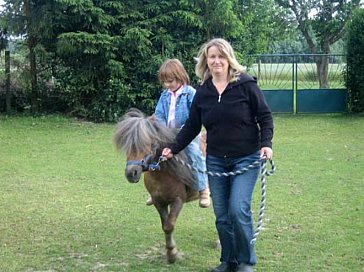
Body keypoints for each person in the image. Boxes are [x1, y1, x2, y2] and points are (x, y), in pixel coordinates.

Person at [161, 38, 274, 272]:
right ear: (206, 61)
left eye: (221, 56)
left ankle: (245, 262)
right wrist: (173, 147)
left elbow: (264, 116)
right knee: (222, 215)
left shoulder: (246, 84)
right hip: (215, 161)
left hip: (246, 158)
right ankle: (228, 261)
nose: (217, 61)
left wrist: (266, 144)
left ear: (229, 59)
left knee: (238, 208)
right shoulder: (203, 92)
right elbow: (192, 126)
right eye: (212, 57)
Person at [146, 58, 211, 208]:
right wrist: (163, 131)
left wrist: (181, 132)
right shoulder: (165, 96)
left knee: (195, 155)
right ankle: (155, 190)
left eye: (170, 81)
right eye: (165, 82)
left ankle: (203, 189)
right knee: (153, 153)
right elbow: (159, 114)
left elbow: (194, 118)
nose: (167, 85)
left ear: (180, 76)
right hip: (167, 134)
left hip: (188, 134)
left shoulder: (191, 94)